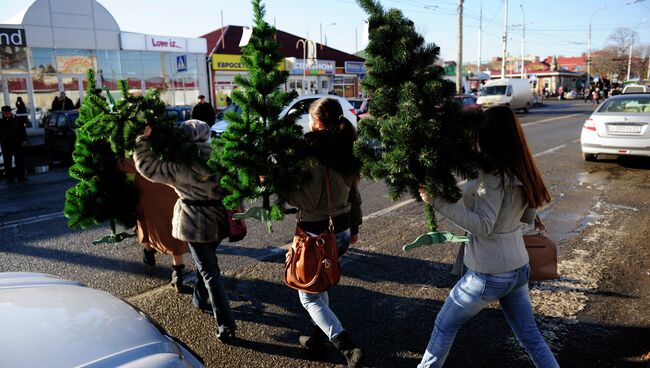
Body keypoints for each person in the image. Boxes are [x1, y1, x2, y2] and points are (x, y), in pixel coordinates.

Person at [417, 105, 558, 368]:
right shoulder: (521, 166)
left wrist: (437, 201)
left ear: (487, 134)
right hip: (517, 268)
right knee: (531, 339)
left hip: (488, 273)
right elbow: (527, 215)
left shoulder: (492, 175)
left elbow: (482, 226)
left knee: (443, 327)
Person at [133, 119, 236, 342]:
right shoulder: (222, 157)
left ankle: (226, 325)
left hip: (194, 222)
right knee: (206, 264)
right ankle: (199, 300)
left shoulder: (180, 163)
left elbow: (147, 167)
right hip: (219, 219)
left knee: (210, 272)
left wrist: (142, 140)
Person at [285, 97, 364, 367]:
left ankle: (347, 347)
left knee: (308, 295)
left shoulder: (310, 152)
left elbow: (307, 200)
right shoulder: (346, 145)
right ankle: (317, 341)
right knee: (320, 284)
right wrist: (355, 226)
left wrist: (281, 185)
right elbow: (355, 194)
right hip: (341, 229)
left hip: (316, 234)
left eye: (310, 118)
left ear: (316, 122)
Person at [116, 158, 189, 292]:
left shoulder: (142, 142)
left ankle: (149, 252)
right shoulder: (177, 139)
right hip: (172, 187)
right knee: (174, 225)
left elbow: (128, 164)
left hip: (147, 188)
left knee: (147, 221)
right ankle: (177, 272)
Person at [0, 105, 27, 183]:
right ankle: (10, 178)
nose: (7, 114)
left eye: (8, 112)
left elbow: (22, 131)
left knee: (20, 161)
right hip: (6, 145)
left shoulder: (17, 120)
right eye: (5, 112)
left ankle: (21, 176)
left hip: (17, 143)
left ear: (10, 112)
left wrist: (24, 140)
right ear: (3, 113)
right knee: (7, 162)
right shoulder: (1, 122)